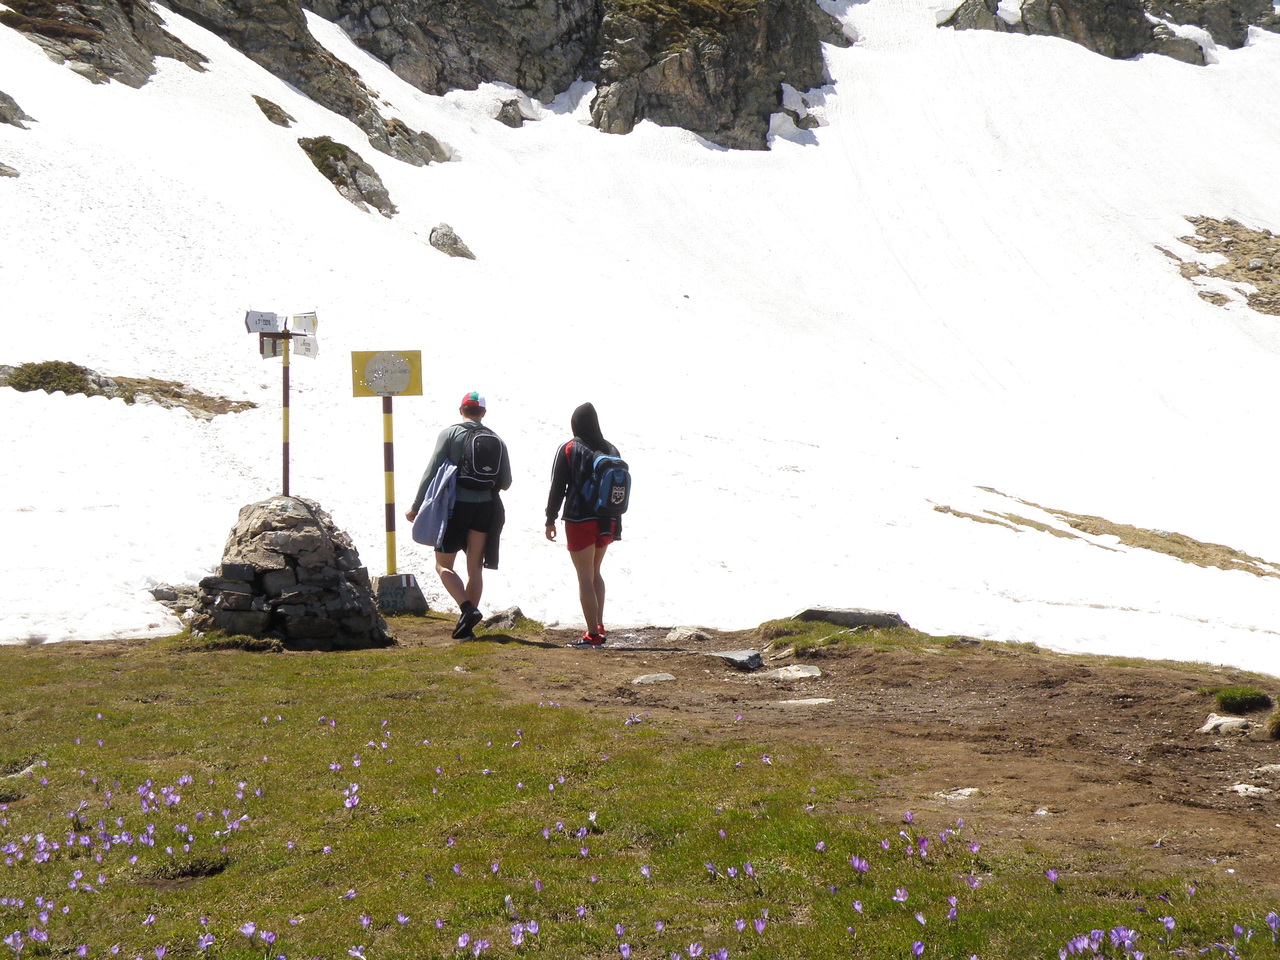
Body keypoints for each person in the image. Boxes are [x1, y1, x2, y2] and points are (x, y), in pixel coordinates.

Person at [407, 392, 511, 640]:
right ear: (483, 413)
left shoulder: (450, 433)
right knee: (475, 568)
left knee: (443, 564)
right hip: (485, 507)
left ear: (461, 410)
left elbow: (431, 470)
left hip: (455, 507)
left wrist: (416, 505)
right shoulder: (496, 438)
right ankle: (466, 630)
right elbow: (505, 481)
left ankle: (467, 609)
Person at [545, 402, 622, 648]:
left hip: (580, 519)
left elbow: (558, 487)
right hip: (607, 520)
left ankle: (593, 636)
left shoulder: (570, 448)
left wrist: (550, 518)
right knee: (595, 571)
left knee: (584, 578)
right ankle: (598, 624)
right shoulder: (611, 448)